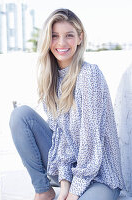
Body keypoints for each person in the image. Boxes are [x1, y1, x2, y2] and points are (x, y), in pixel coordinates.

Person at [9, 8, 124, 200]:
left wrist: (73, 193)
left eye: (68, 35)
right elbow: (61, 141)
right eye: (54, 36)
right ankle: (43, 190)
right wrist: (64, 186)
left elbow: (91, 144)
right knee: (20, 115)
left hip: (100, 176)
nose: (61, 43)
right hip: (68, 170)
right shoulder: (51, 79)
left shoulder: (89, 75)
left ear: (80, 38)